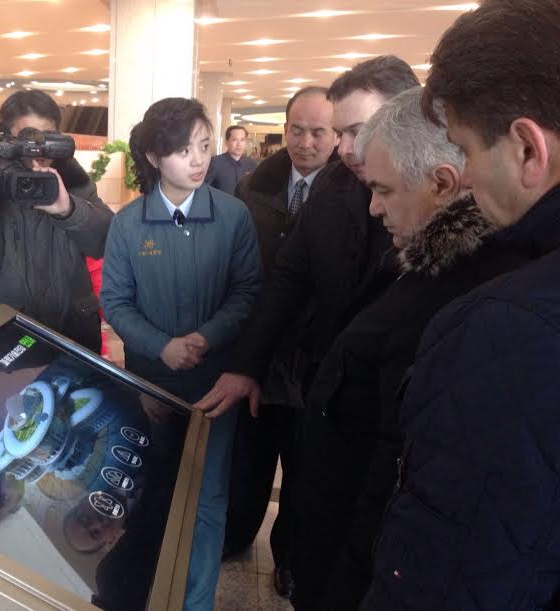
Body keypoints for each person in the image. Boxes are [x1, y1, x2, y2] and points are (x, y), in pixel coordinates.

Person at [287, 86, 530, 611]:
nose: (373, 207)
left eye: (383, 190)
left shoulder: (461, 301)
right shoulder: (424, 260)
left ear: (442, 184)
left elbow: (391, 478)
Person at [194, 55, 420, 598]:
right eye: (342, 133)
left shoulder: (443, 197)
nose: (345, 148)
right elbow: (287, 281)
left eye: (356, 131)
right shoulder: (334, 187)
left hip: (396, 405)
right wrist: (246, 366)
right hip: (322, 377)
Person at [363, 2, 560, 609]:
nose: (466, 180)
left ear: (528, 149)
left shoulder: (504, 327)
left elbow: (445, 574)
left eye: (467, 151)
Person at [100, 97, 262, 610]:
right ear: (153, 156)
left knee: (208, 498)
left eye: (205, 146)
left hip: (214, 387)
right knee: (149, 491)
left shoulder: (233, 216)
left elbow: (247, 290)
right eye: (183, 150)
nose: (198, 160)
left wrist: (206, 337)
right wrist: (161, 347)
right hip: (151, 383)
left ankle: (196, 603)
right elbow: (115, 301)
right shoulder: (128, 224)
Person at [222, 86, 339, 558]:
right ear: (284, 129)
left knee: (304, 464)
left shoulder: (353, 191)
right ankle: (236, 536)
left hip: (316, 355)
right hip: (260, 347)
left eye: (319, 132)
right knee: (250, 455)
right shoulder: (254, 186)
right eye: (297, 130)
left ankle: (289, 555)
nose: (306, 143)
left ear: (337, 134)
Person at [0, 90, 113, 353]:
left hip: (73, 332)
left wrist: (69, 210)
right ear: (5, 138)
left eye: (47, 138)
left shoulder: (75, 181)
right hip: (7, 334)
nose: (38, 151)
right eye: (28, 138)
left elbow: (105, 241)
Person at [205, 125, 257, 195]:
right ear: (226, 142)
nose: (239, 144)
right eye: (235, 140)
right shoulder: (215, 162)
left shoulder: (252, 164)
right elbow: (204, 188)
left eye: (242, 140)